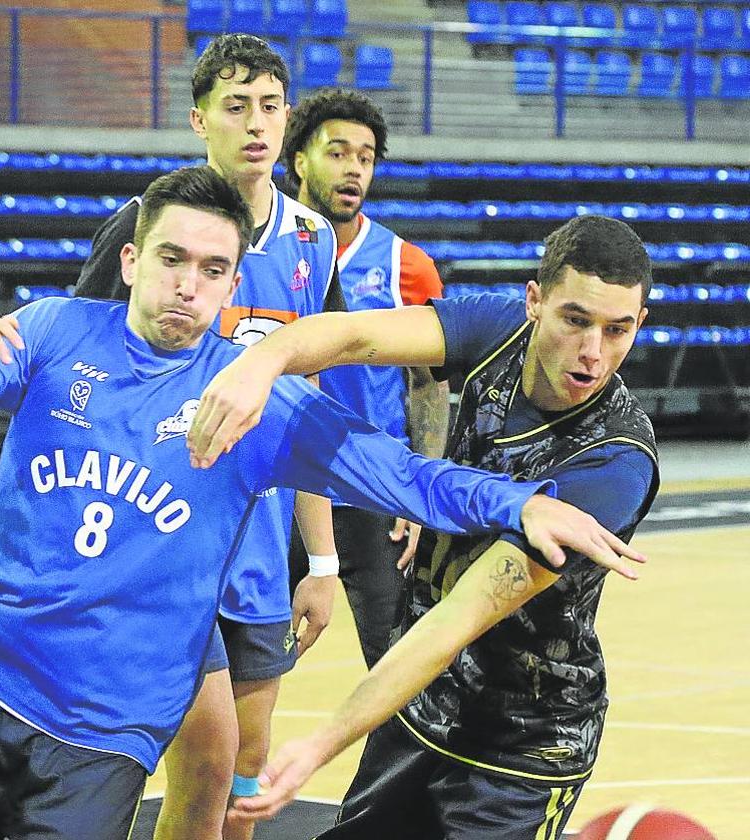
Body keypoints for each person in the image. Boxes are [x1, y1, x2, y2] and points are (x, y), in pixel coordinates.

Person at [0, 167, 642, 840]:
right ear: (131, 261)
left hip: (103, 733)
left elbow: (405, 477)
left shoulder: (260, 404)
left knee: (212, 770)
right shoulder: (49, 332)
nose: (186, 285)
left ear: (234, 284)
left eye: (210, 269)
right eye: (170, 259)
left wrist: (517, 504)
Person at [187, 214, 658, 839]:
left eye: (617, 330)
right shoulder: (497, 331)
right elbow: (353, 337)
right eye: (575, 320)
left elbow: (459, 619)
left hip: (522, 749)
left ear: (639, 325)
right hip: (421, 704)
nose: (593, 352)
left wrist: (320, 744)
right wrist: (264, 360)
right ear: (535, 302)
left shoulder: (615, 460)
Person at [75, 34, 345, 839]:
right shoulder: (149, 227)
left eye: (269, 106)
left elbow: (311, 406)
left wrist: (323, 560)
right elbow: (80, 368)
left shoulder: (314, 240)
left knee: (247, 762)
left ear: (289, 118)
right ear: (200, 120)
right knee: (199, 745)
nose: (255, 125)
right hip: (156, 535)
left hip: (258, 546)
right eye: (235, 107)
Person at [284, 88, 449, 668]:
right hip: (280, 488)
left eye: (366, 155)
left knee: (400, 666)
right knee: (241, 663)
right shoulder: (261, 249)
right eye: (337, 152)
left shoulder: (407, 265)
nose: (354, 167)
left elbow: (430, 386)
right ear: (298, 159)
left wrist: (419, 487)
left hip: (371, 486)